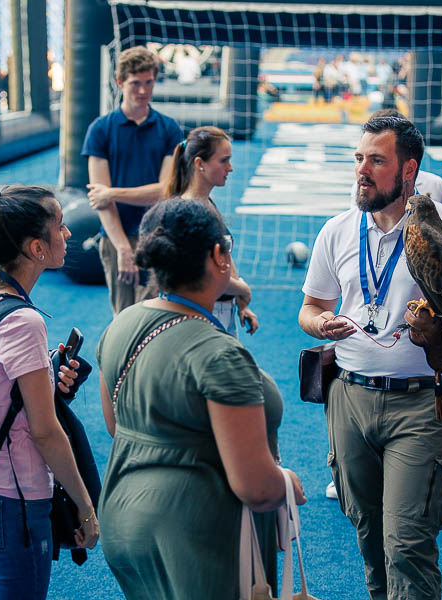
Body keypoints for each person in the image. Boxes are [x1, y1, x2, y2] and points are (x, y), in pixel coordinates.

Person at [298, 116, 442, 599]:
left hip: (421, 404)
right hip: (348, 399)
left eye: (376, 160)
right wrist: (322, 324)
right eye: (359, 158)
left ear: (409, 169)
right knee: (370, 542)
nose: (361, 171)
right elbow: (309, 309)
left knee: (407, 546)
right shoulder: (338, 229)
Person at [96, 198, 305, 598]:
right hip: (195, 530)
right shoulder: (220, 353)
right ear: (218, 255)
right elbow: (255, 487)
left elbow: (116, 425)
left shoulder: (121, 324)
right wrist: (286, 483)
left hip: (123, 519)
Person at [0, 185, 98, 599]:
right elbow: (44, 432)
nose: (67, 235)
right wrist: (85, 506)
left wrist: (45, 371)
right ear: (36, 248)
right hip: (13, 500)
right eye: (60, 227)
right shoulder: (25, 322)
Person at [81, 45, 183, 315]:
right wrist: (124, 249)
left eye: (148, 82)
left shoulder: (170, 129)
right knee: (123, 318)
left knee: (154, 316)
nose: (142, 90)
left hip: (157, 237)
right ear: (120, 82)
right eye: (135, 83)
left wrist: (112, 193)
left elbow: (164, 191)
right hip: (116, 238)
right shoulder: (100, 130)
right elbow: (99, 200)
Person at [164, 126, 258, 336]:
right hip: (198, 318)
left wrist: (241, 304)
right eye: (223, 160)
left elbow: (224, 255)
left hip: (219, 313)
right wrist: (243, 289)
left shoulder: (207, 203)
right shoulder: (188, 213)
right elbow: (206, 277)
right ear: (200, 164)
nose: (230, 168)